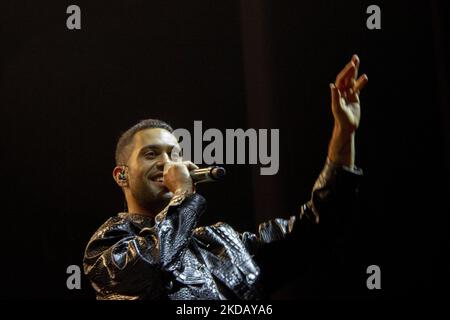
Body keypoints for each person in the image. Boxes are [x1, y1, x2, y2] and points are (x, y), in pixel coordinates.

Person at [83, 55, 368, 300]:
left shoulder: (222, 243)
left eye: (175, 154)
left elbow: (317, 229)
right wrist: (184, 197)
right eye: (151, 154)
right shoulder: (108, 248)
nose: (167, 164)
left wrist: (344, 133)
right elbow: (152, 268)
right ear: (122, 175)